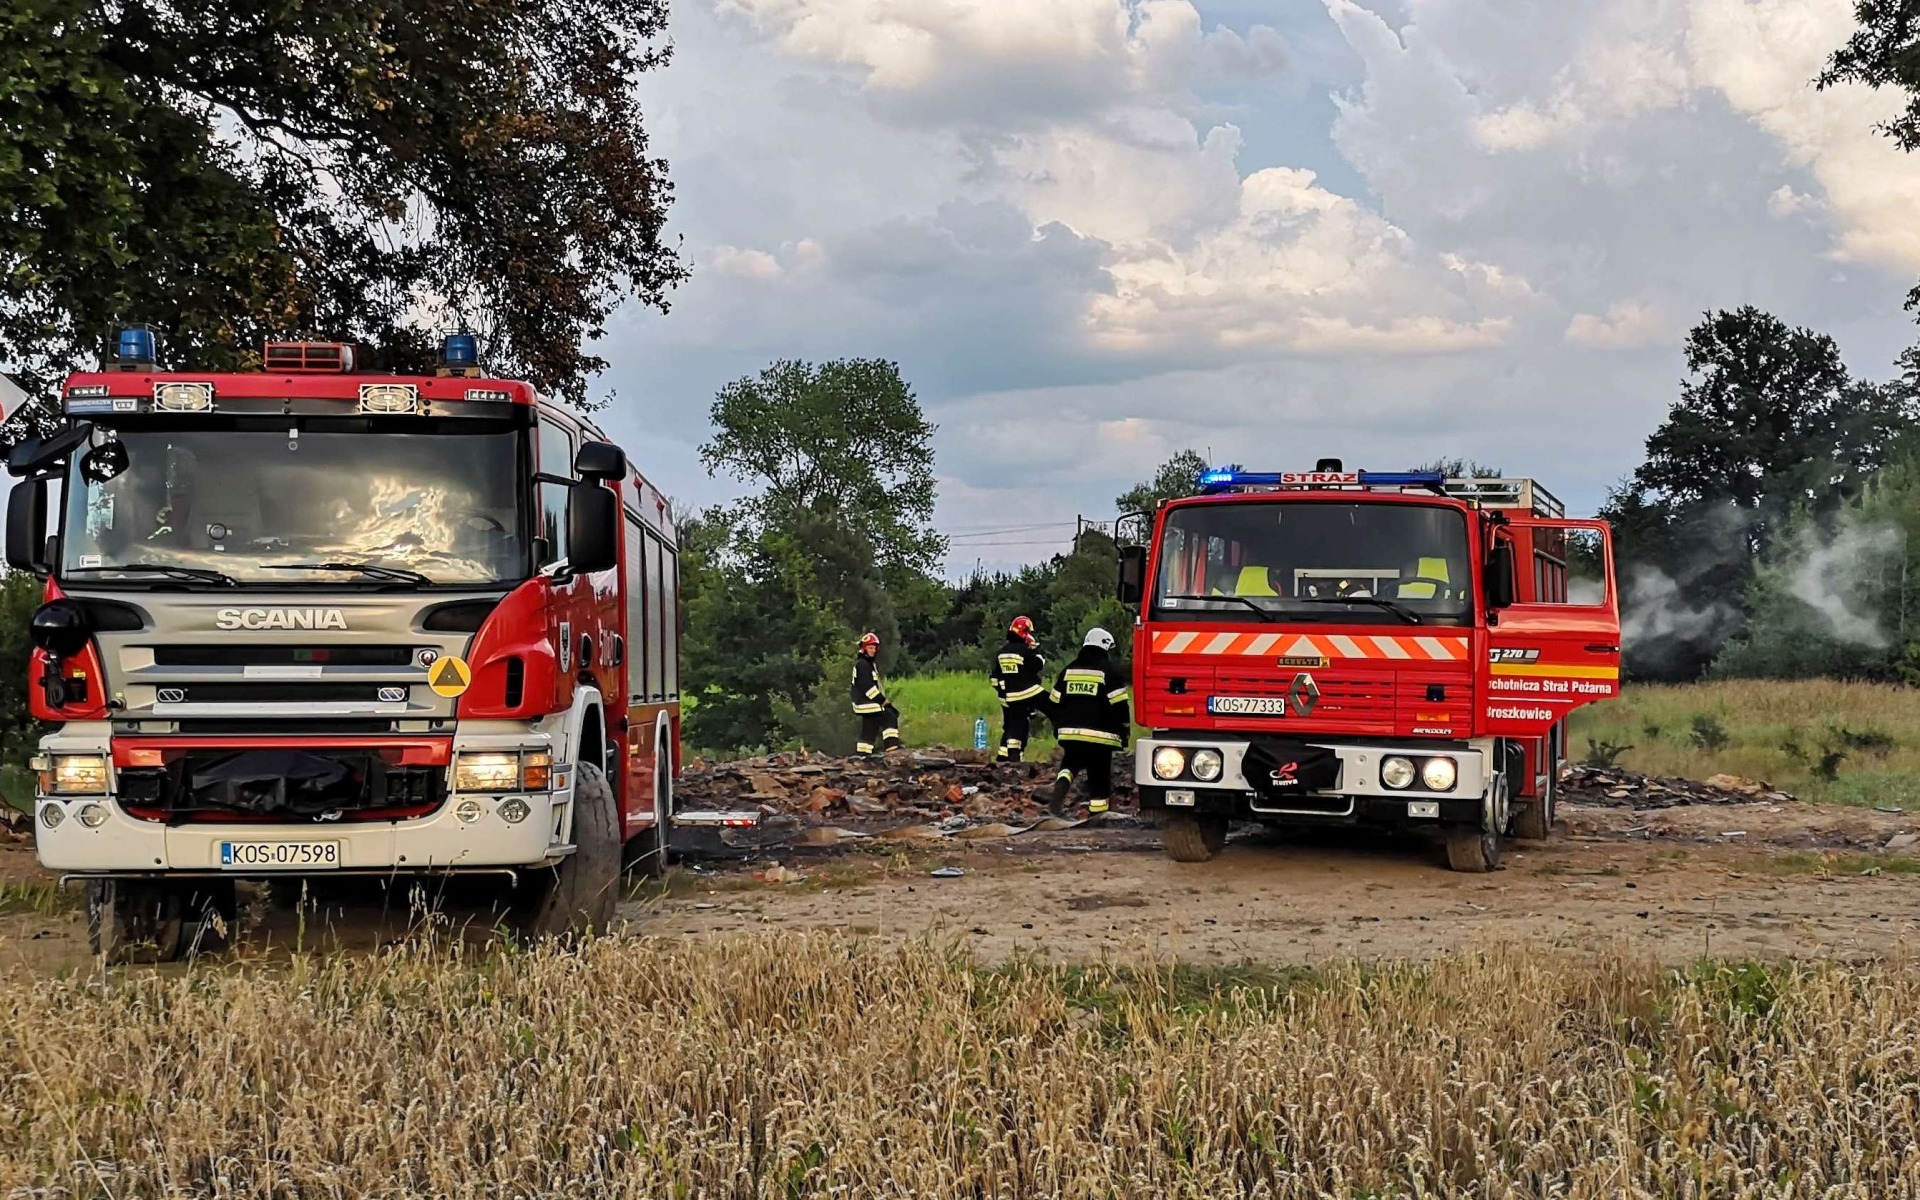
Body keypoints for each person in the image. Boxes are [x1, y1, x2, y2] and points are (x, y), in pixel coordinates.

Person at [1043, 627, 1131, 816]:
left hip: (1070, 733)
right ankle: (1098, 814)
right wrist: (1124, 730)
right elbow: (1120, 705)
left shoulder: (1069, 670)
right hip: (1100, 735)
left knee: (1069, 764)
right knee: (1098, 772)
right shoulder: (1110, 672)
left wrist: (1059, 725)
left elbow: (1053, 702)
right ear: (1105, 646)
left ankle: (1056, 802)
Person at [991, 615, 1047, 763]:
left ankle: (1003, 757)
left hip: (1008, 696)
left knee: (1011, 726)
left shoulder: (1002, 652)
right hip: (1028, 692)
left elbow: (994, 678)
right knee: (1051, 707)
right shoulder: (1023, 651)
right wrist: (1038, 654)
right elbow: (1036, 666)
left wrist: (1003, 693)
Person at [849, 632, 901, 755]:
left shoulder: (866, 664)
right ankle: (892, 747)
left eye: (874, 648)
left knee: (869, 729)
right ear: (863, 648)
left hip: (863, 703)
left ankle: (862, 756)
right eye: (870, 648)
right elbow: (869, 689)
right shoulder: (863, 665)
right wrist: (883, 701)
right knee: (890, 716)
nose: (873, 650)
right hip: (866, 703)